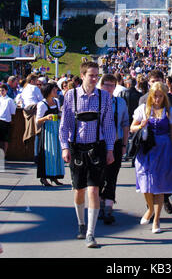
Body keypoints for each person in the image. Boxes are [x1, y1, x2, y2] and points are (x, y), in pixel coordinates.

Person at [59, 61, 116, 248]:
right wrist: (64, 147)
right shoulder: (71, 96)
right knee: (79, 190)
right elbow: (65, 125)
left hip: (97, 148)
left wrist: (110, 149)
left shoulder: (105, 97)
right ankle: (81, 223)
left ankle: (91, 233)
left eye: (96, 75)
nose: (95, 78)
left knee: (93, 189)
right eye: (91, 75)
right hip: (76, 148)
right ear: (82, 76)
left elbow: (108, 126)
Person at [130, 82, 172, 233]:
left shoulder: (170, 111)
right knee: (145, 181)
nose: (157, 99)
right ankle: (150, 208)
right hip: (147, 148)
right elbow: (132, 127)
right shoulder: (143, 109)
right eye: (155, 96)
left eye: (160, 96)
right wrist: (140, 125)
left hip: (163, 149)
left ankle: (156, 220)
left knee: (159, 185)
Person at [98, 74, 129, 224]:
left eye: (112, 85)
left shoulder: (120, 103)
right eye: (106, 85)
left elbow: (125, 124)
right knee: (99, 176)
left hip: (116, 143)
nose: (109, 88)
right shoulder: (95, 101)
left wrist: (124, 145)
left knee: (112, 176)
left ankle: (108, 209)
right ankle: (99, 204)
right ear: (101, 86)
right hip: (99, 143)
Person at [36, 82, 65, 187]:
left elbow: (58, 113)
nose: (56, 91)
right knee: (47, 154)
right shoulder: (42, 104)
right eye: (54, 90)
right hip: (47, 131)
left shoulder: (56, 101)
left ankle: (54, 175)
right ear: (48, 92)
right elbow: (37, 121)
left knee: (57, 152)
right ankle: (44, 177)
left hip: (56, 129)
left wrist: (60, 115)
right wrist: (46, 117)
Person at [0, 84, 16, 155]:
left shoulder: (9, 100)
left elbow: (13, 111)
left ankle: (4, 154)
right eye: (0, 91)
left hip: (6, 121)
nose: (1, 92)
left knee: (5, 140)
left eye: (3, 90)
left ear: (6, 91)